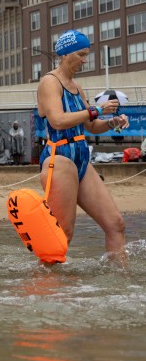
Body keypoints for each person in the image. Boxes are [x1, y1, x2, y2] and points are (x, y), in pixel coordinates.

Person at [37, 29, 129, 265]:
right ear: (66, 53)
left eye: (86, 54)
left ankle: (120, 283)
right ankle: (47, 289)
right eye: (81, 54)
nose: (85, 60)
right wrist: (96, 110)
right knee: (63, 233)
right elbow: (57, 120)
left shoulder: (76, 86)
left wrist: (112, 122)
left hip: (80, 157)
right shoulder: (50, 82)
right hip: (60, 158)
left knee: (115, 224)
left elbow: (90, 125)